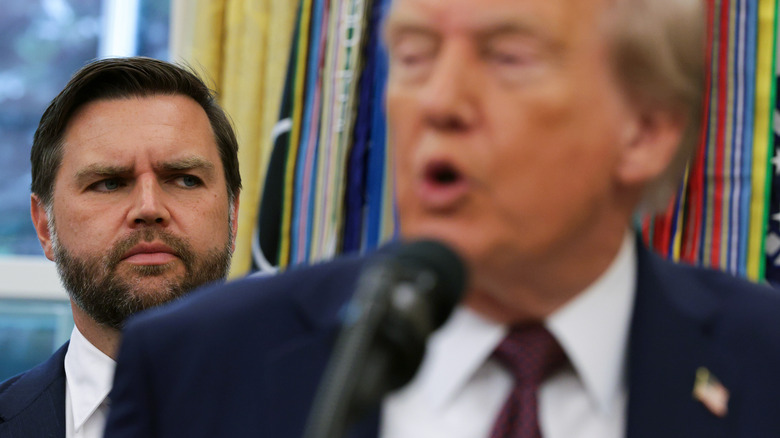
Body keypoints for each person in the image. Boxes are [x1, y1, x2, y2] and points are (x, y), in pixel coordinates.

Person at [105, 0, 780, 437]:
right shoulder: (195, 369)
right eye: (414, 56)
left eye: (508, 57)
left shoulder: (762, 364)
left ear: (646, 131)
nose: (439, 101)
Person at [0, 57, 241, 438]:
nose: (149, 208)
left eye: (184, 180)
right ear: (44, 225)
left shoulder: (333, 415)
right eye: (109, 183)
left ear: (232, 212)